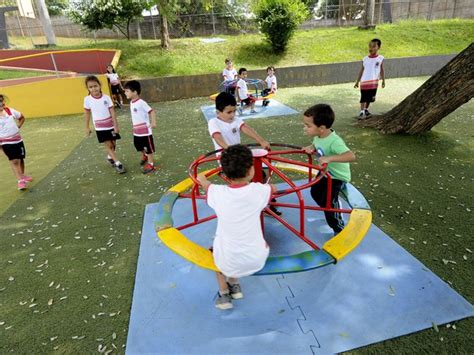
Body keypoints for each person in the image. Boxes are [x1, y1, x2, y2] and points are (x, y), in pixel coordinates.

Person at [197, 144, 276, 310]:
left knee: (216, 250)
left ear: (224, 173)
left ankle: (224, 294)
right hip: (257, 258)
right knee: (232, 245)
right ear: (251, 171)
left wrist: (203, 179)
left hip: (228, 259)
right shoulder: (259, 191)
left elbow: (204, 184)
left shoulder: (217, 193)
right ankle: (234, 284)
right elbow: (272, 189)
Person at [208, 92, 282, 216]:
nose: (232, 115)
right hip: (227, 159)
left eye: (234, 111)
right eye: (229, 112)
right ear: (218, 112)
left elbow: (246, 128)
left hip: (239, 157)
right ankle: (251, 205)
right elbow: (217, 137)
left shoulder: (236, 120)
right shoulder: (214, 122)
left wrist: (261, 140)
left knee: (259, 175)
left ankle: (266, 202)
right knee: (243, 183)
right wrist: (229, 149)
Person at [302, 104, 356, 235]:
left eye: (308, 126)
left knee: (328, 205)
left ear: (321, 128)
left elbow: (351, 156)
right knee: (315, 192)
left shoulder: (335, 141)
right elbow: (317, 144)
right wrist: (311, 147)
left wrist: (329, 158)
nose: (305, 128)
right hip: (325, 173)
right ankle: (332, 208)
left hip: (337, 177)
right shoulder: (319, 136)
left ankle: (338, 228)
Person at [83, 75, 126, 174]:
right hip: (100, 128)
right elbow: (87, 113)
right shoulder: (87, 100)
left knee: (113, 144)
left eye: (95, 86)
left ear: (100, 85)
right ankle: (118, 163)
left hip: (110, 125)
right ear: (88, 88)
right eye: (91, 87)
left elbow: (113, 112)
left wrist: (116, 125)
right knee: (108, 145)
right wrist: (86, 127)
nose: (94, 88)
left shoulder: (106, 98)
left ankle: (109, 157)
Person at [123, 80, 157, 174]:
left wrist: (153, 122)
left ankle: (151, 164)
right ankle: (144, 155)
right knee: (138, 146)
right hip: (137, 131)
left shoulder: (141, 102)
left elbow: (152, 111)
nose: (125, 93)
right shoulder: (131, 103)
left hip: (145, 132)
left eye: (127, 91)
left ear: (135, 92)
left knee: (148, 148)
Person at [0, 94, 32, 190]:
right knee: (14, 160)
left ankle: (22, 175)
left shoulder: (10, 111)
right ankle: (20, 181)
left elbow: (22, 117)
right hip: (5, 141)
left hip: (18, 140)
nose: (0, 103)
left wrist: (18, 127)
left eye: (1, 101)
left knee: (21, 158)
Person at [354, 38, 385, 119]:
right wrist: (357, 81)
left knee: (370, 98)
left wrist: (383, 81)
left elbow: (382, 69)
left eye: (374, 46)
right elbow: (361, 70)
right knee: (363, 97)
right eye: (370, 46)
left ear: (379, 47)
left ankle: (366, 110)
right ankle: (361, 112)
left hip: (374, 82)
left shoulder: (380, 58)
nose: (371, 48)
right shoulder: (365, 59)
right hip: (364, 82)